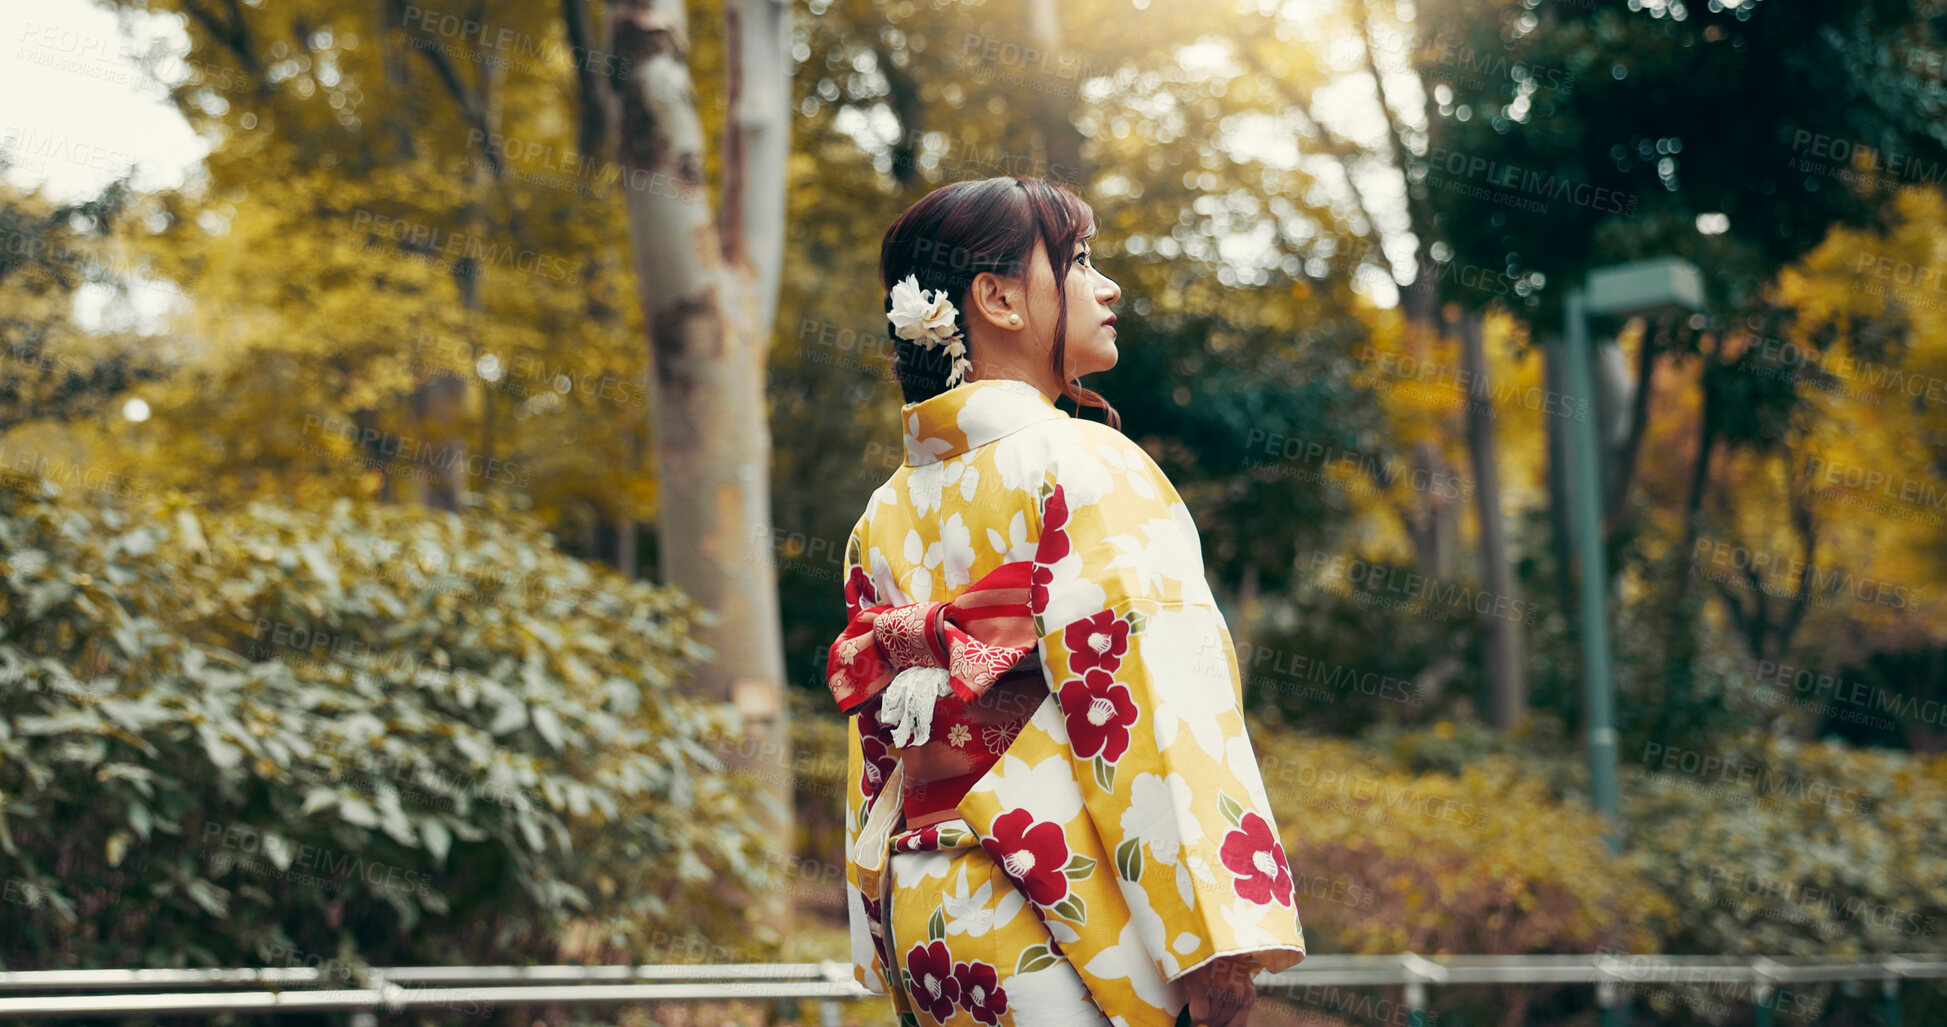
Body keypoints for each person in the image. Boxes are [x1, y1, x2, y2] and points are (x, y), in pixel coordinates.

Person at [827, 176, 1306, 1027]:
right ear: (999, 298)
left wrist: (875, 929)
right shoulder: (1084, 464)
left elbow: (883, 740)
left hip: (929, 914)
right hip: (1055, 907)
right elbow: (1156, 705)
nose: (1106, 285)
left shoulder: (882, 510)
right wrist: (1216, 939)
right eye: (1078, 260)